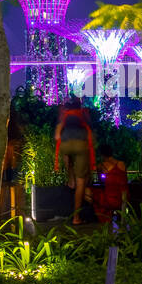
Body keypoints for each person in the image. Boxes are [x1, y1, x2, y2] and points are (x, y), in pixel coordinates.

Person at [54, 96, 95, 224]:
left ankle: (70, 178)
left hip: (66, 145)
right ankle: (76, 218)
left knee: (67, 154)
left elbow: (57, 136)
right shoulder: (83, 114)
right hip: (81, 145)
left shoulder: (64, 115)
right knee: (81, 182)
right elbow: (90, 131)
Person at [2, 103, 24, 219]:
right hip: (14, 152)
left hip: (4, 155)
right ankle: (17, 215)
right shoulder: (16, 120)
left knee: (2, 185)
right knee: (16, 184)